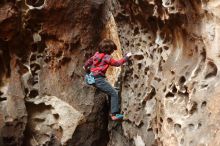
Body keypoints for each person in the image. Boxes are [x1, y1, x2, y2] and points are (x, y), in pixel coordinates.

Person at [83, 39, 132, 120]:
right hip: (99, 79)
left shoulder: (96, 54)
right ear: (109, 49)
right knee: (114, 93)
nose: (113, 51)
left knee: (110, 92)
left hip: (92, 78)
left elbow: (89, 61)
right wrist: (126, 57)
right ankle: (114, 114)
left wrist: (85, 67)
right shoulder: (107, 57)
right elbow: (117, 63)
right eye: (112, 50)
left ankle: (111, 111)